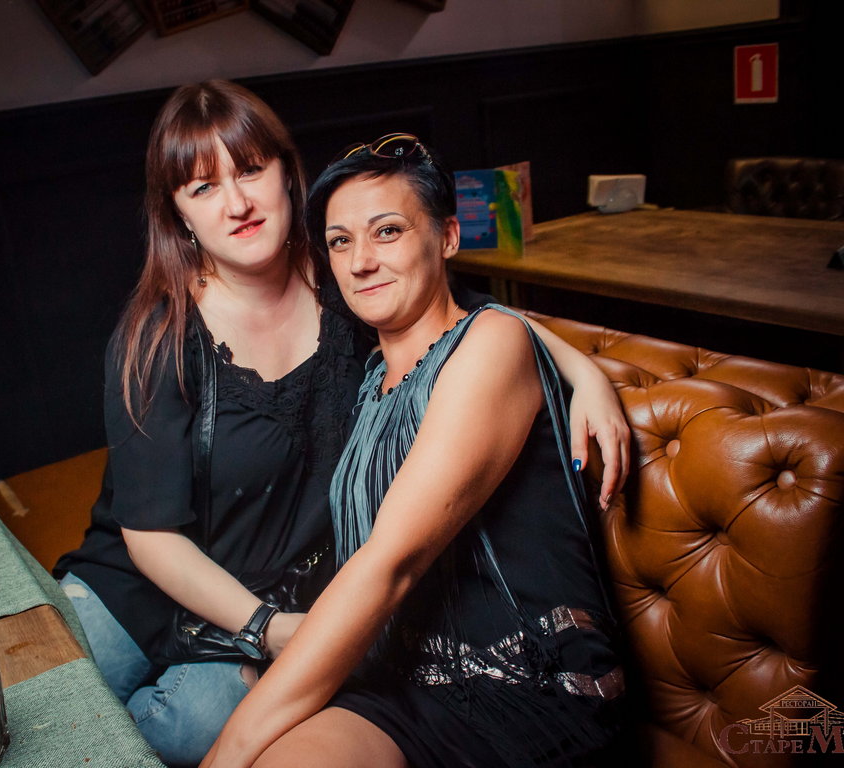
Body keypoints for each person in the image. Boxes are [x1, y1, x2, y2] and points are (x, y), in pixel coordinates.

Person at [55, 82, 629, 767]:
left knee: (185, 728)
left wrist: (582, 368)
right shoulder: (161, 332)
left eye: (250, 171)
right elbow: (150, 538)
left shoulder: (346, 286)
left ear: (285, 175)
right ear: (177, 212)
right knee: (45, 711)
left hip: (288, 597)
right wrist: (268, 630)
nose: (236, 203)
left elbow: (463, 316)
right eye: (203, 187)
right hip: (149, 584)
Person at [199, 134, 627, 768]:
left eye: (388, 231)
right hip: (401, 679)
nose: (360, 261)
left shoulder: (491, 343)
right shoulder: (368, 373)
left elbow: (390, 563)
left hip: (526, 682)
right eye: (339, 241)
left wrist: (227, 752)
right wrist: (581, 365)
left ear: (448, 236)